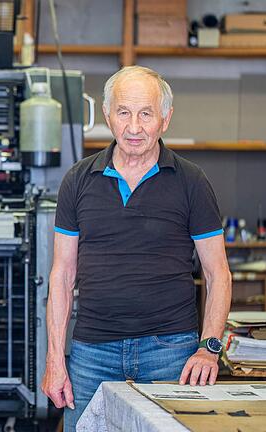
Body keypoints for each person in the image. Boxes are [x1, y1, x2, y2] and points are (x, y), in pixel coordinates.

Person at [41, 65, 232, 431]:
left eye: (146, 114)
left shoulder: (191, 181)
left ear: (165, 118)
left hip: (170, 351)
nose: (134, 127)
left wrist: (209, 349)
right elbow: (62, 275)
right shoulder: (78, 180)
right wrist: (54, 359)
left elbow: (217, 272)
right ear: (107, 114)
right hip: (92, 352)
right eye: (124, 112)